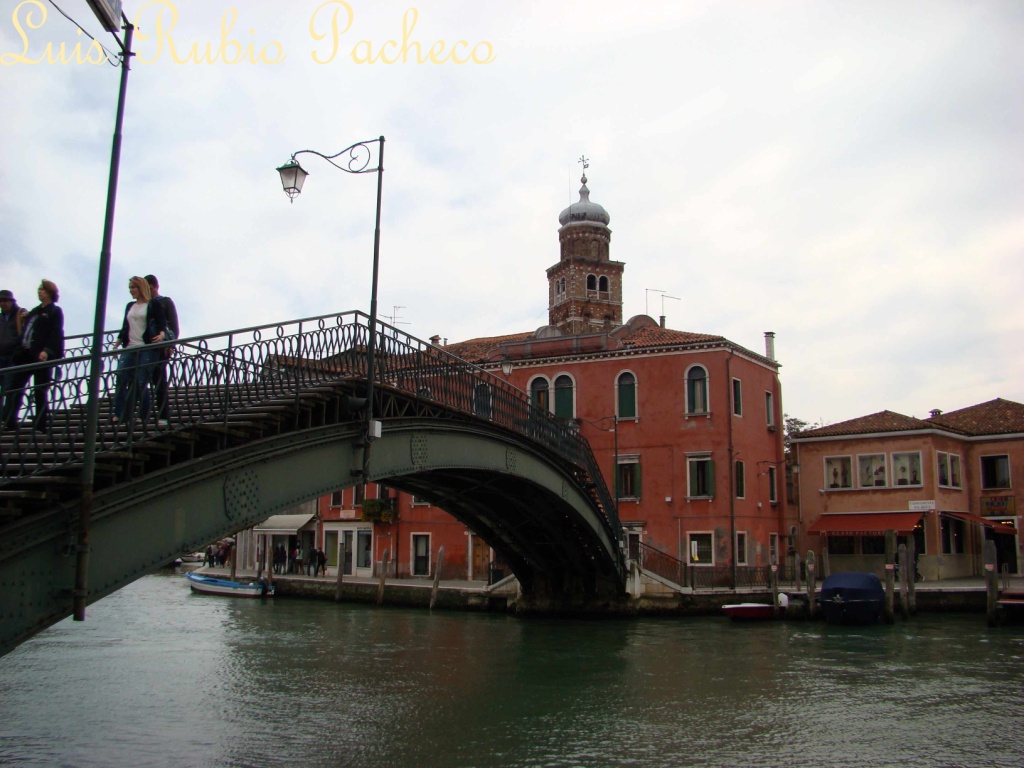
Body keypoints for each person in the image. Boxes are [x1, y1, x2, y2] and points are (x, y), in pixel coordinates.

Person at [2, 280, 64, 432]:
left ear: (50, 292)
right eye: (39, 289)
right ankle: (10, 422)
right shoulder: (35, 311)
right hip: (26, 353)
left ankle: (41, 425)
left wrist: (47, 351)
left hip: (41, 356)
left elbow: (56, 333)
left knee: (40, 391)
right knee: (15, 388)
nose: (39, 292)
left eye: (42, 290)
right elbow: (27, 331)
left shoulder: (54, 311)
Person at [112, 276, 167, 424]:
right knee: (121, 377)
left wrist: (161, 335)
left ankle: (143, 415)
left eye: (133, 287)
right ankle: (120, 412)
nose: (131, 290)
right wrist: (117, 344)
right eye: (130, 288)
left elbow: (162, 322)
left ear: (141, 288)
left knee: (140, 381)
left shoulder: (153, 304)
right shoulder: (130, 306)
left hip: (146, 347)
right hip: (129, 346)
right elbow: (125, 326)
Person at [144, 275, 178, 424]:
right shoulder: (143, 304)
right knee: (141, 381)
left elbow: (174, 327)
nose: (149, 292)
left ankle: (163, 415)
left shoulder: (165, 302)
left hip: (160, 347)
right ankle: (142, 415)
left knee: (159, 381)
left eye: (150, 289)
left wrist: (171, 344)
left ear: (156, 287)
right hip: (144, 345)